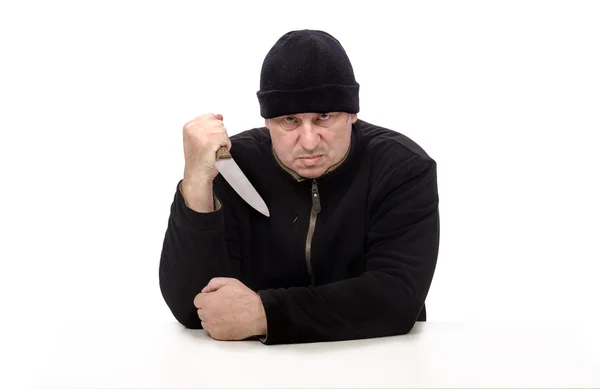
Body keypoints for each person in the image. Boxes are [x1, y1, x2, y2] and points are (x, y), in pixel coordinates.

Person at [159, 29, 440, 345]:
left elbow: (397, 299)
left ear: (351, 114)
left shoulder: (402, 167)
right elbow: (194, 309)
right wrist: (196, 182)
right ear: (268, 121)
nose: (308, 142)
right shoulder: (230, 168)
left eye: (324, 117)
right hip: (250, 370)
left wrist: (265, 314)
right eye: (289, 120)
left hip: (381, 359)